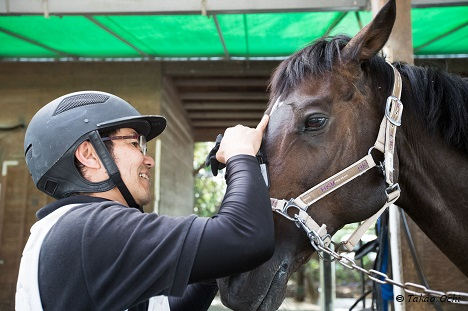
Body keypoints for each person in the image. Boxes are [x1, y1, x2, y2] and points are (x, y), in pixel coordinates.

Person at [16, 90, 274, 311]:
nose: (148, 160)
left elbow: (166, 307)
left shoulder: (68, 231)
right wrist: (241, 154)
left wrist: (212, 262)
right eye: (134, 144)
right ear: (90, 154)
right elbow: (247, 236)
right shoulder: (88, 229)